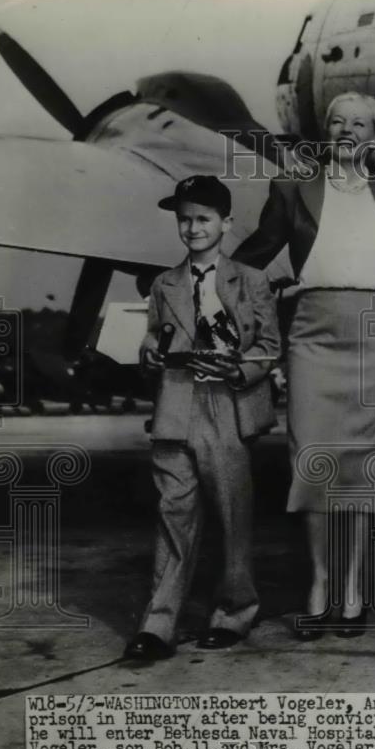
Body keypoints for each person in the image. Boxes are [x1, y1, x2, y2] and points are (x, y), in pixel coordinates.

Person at [235, 92, 375, 640]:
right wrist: (192, 286)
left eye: (360, 123)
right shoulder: (292, 187)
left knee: (361, 463)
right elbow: (254, 255)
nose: (347, 131)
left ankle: (352, 588)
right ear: (324, 131)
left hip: (373, 330)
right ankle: (318, 583)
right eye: (338, 122)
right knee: (312, 459)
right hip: (311, 331)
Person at [124, 175, 279, 661]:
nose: (193, 228)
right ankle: (159, 623)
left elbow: (270, 348)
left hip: (227, 406)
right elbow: (154, 336)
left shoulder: (251, 281)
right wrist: (148, 350)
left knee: (233, 513)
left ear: (226, 223)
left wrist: (238, 368)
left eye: (203, 219)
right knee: (174, 514)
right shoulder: (163, 283)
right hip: (174, 404)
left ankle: (235, 610)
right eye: (185, 219)